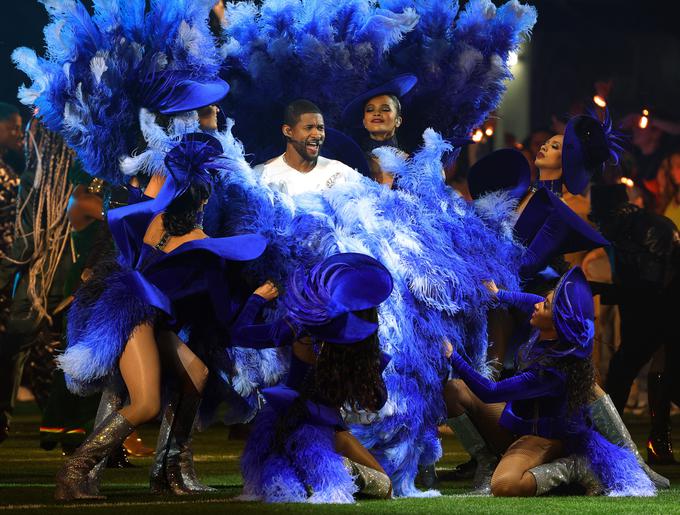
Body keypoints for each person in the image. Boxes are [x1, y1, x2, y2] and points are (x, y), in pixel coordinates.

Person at [54, 133, 267, 500]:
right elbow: (225, 318)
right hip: (129, 311)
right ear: (203, 197)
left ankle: (167, 474)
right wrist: (258, 300)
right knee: (145, 402)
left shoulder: (154, 218)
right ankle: (74, 472)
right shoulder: (201, 242)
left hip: (141, 311)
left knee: (195, 372)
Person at [443, 268, 656, 497]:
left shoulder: (552, 369)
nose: (538, 304)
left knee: (505, 486)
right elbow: (531, 300)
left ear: (557, 323)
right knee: (455, 390)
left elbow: (491, 392)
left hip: (544, 437)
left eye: (545, 305)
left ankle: (576, 468)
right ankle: (486, 462)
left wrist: (453, 356)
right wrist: (499, 294)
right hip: (518, 423)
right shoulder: (547, 331)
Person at [235, 253, 393, 502]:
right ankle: (316, 470)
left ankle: (300, 470)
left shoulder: (298, 327)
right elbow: (376, 401)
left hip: (278, 430)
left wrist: (257, 298)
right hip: (323, 433)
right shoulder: (360, 346)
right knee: (384, 487)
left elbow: (240, 334)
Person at [253, 100, 362, 196]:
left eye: (320, 128)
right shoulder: (262, 175)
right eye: (308, 128)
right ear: (288, 131)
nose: (317, 134)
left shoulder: (341, 171)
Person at [341, 75, 417, 187]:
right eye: (370, 110)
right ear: (364, 122)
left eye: (385, 109)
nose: (376, 113)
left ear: (398, 121)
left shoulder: (414, 165)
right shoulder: (350, 163)